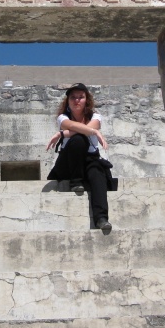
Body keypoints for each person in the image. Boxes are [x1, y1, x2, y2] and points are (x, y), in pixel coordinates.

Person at [46, 83, 114, 234]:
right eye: (73, 97)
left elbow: (82, 130)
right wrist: (95, 132)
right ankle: (75, 181)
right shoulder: (62, 118)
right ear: (68, 101)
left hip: (90, 159)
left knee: (97, 172)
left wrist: (61, 134)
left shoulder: (95, 116)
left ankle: (101, 219)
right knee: (78, 140)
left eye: (80, 97)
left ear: (86, 100)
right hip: (69, 161)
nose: (77, 100)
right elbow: (78, 129)